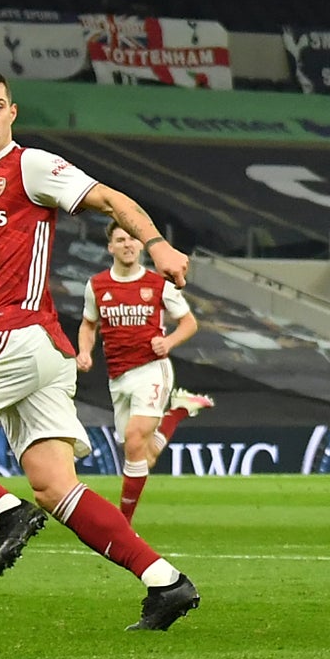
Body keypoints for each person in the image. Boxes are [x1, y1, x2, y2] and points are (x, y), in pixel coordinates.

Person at [0, 67, 202, 631]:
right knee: (55, 485)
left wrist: (157, 244)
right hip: (36, 350)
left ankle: (4, 509)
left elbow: (108, 198)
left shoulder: (30, 166)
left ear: (12, 112)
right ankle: (165, 582)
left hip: (19, 335)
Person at [76, 219, 214, 522]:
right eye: (121, 240)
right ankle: (178, 411)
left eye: (132, 239)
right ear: (110, 246)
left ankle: (122, 524)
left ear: (141, 245)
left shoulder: (158, 285)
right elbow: (89, 324)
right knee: (142, 454)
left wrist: (169, 341)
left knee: (135, 438)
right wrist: (84, 351)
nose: (128, 244)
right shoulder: (97, 285)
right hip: (118, 375)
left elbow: (189, 322)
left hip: (152, 370)